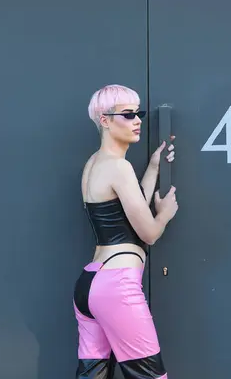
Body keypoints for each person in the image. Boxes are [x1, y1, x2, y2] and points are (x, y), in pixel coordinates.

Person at [73, 84, 178, 379]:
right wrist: (165, 215)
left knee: (92, 374)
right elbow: (148, 233)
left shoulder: (95, 164)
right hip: (117, 287)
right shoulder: (118, 167)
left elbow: (128, 212)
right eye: (128, 114)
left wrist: (154, 167)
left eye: (138, 113)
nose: (138, 120)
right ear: (105, 120)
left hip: (90, 284)